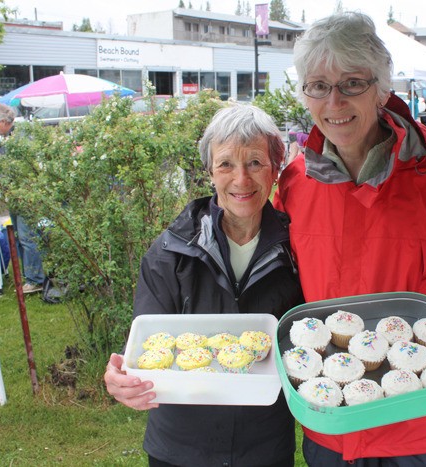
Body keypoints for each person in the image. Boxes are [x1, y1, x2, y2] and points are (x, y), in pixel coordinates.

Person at [273, 12, 426, 466]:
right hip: (334, 425)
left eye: (352, 82)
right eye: (318, 85)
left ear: (382, 89)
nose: (334, 101)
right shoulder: (295, 184)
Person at [103, 104, 304, 467]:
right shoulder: (170, 252)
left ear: (276, 169)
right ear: (210, 171)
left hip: (264, 446)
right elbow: (147, 345)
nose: (241, 180)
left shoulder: (298, 248)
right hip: (181, 447)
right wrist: (124, 377)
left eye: (255, 163)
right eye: (226, 164)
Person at [0, 103, 45, 295]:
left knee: (27, 237)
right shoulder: (9, 137)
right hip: (16, 196)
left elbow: (16, 168)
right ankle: (29, 277)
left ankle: (35, 279)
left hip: (25, 196)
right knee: (18, 237)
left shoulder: (19, 138)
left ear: (3, 121)